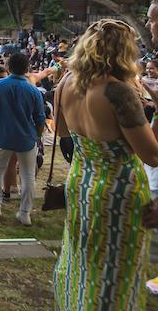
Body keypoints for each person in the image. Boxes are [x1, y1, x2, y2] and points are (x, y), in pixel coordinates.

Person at [53, 20, 158, 310]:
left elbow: (62, 132)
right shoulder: (118, 93)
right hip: (118, 191)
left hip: (81, 184)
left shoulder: (65, 84)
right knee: (114, 273)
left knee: (81, 263)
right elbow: (152, 155)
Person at [0, 52, 45, 225]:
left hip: (2, 136)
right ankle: (25, 212)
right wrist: (37, 136)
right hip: (26, 138)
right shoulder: (33, 90)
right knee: (27, 175)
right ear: (27, 69)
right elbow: (40, 119)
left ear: (8, 67)